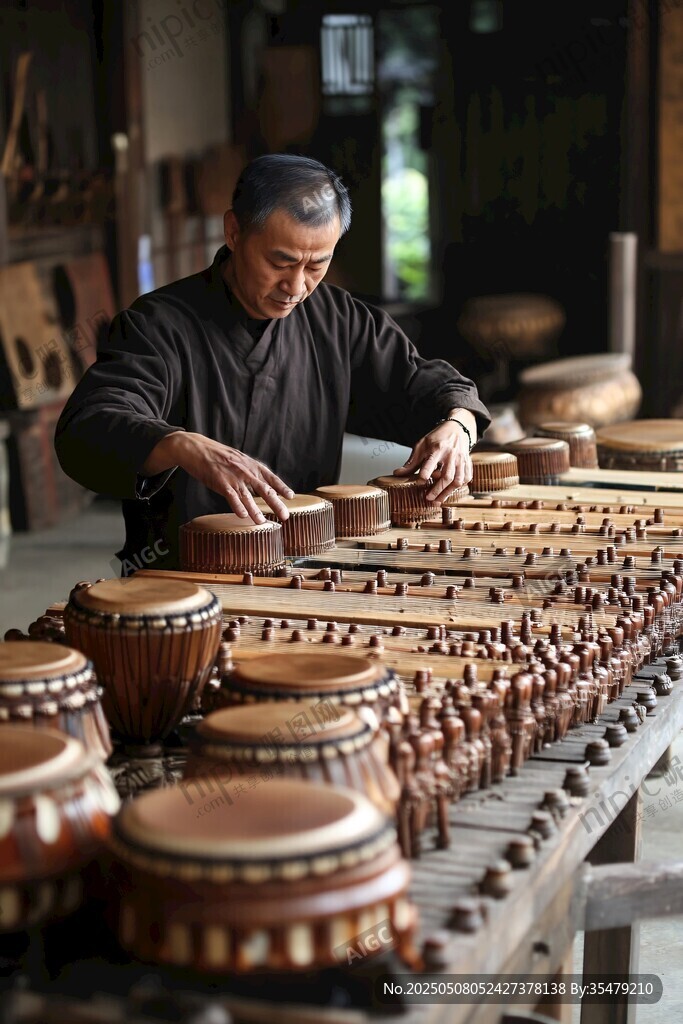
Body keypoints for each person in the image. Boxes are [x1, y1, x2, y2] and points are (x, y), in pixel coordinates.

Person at [55, 154, 490, 571]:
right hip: (180, 578)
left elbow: (423, 384)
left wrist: (458, 426)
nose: (296, 286)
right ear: (233, 231)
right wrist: (180, 444)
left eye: (317, 265)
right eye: (280, 262)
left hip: (307, 565)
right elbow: (89, 425)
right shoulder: (158, 325)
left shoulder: (339, 320)